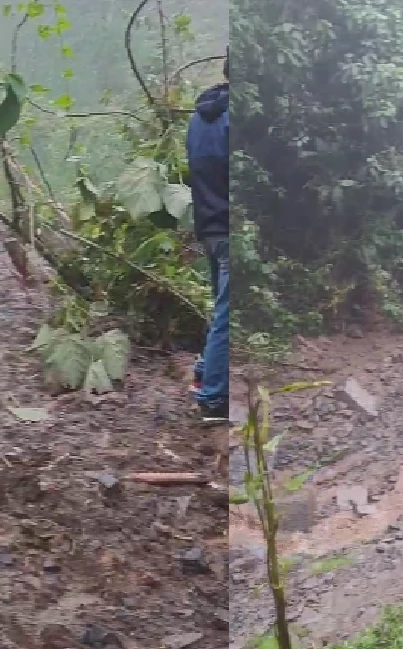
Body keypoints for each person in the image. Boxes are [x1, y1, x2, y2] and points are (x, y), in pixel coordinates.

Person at [185, 52, 229, 423]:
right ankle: (213, 398)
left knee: (222, 308)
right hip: (231, 229)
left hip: (209, 225)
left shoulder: (199, 119)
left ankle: (205, 376)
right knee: (229, 313)